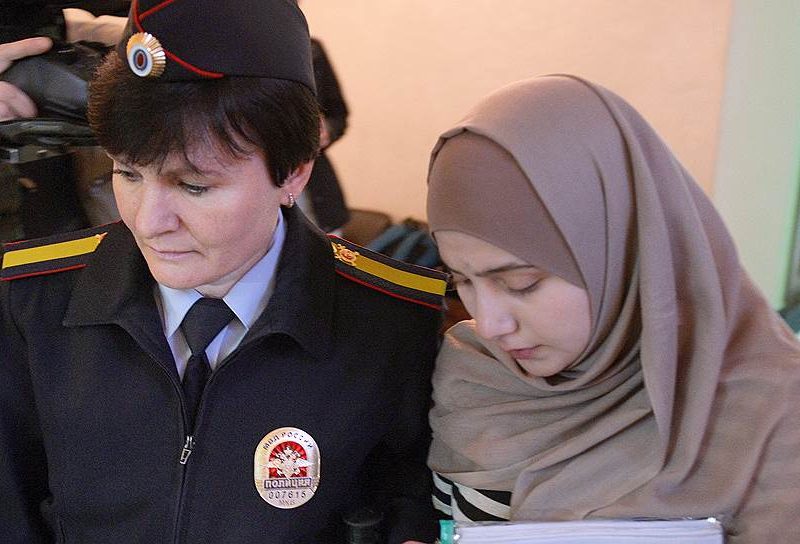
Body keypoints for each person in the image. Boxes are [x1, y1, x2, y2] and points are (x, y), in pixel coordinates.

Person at [0, 1, 445, 542]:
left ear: (294, 173)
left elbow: (409, 502)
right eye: (127, 174)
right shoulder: (30, 304)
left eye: (194, 186)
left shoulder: (393, 325)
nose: (148, 222)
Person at [424, 74, 800, 542]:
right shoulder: (474, 370)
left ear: (622, 251)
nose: (490, 324)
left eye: (522, 283)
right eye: (462, 281)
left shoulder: (775, 411)